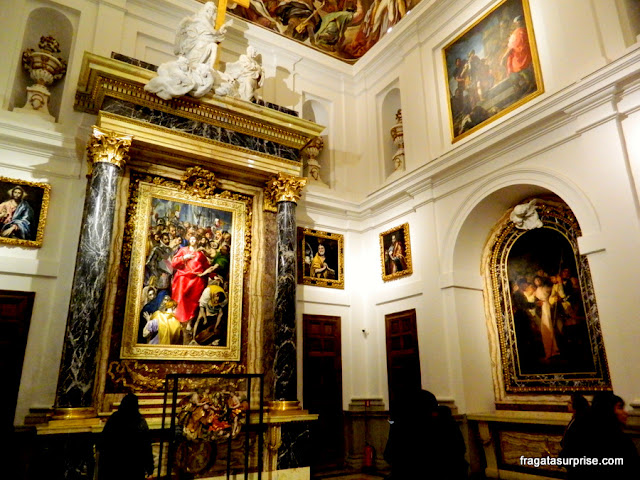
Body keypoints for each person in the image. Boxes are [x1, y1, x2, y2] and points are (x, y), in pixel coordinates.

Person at [98, 393, 154, 480]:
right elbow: (146, 447)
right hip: (133, 467)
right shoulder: (140, 422)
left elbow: (103, 441)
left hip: (114, 465)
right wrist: (150, 469)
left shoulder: (114, 419)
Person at [171, 235, 212, 329]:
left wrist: (213, 275)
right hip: (184, 276)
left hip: (197, 279)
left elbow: (206, 266)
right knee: (181, 295)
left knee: (194, 299)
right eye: (191, 239)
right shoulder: (183, 250)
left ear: (197, 241)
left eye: (195, 239)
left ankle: (190, 321)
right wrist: (184, 257)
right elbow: (174, 262)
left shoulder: (200, 254)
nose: (193, 240)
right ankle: (179, 319)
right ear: (189, 241)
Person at [559, 393, 590, 480]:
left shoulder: (581, 421)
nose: (567, 404)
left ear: (576, 405)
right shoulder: (574, 418)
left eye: (569, 402)